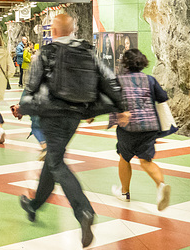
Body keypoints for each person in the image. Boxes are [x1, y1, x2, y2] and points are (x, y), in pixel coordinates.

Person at [17, 14, 130, 248]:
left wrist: (22, 107)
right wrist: (122, 108)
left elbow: (32, 85)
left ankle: (84, 212)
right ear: (73, 29)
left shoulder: (46, 52)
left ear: (54, 31)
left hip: (51, 114)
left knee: (57, 162)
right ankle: (34, 205)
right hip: (75, 115)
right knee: (53, 159)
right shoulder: (88, 52)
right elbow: (109, 80)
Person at [110, 49, 171, 211]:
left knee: (124, 157)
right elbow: (163, 97)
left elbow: (111, 100)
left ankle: (125, 193)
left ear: (125, 63)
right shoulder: (150, 80)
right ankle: (161, 185)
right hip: (149, 127)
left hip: (128, 127)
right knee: (146, 161)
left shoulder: (119, 81)